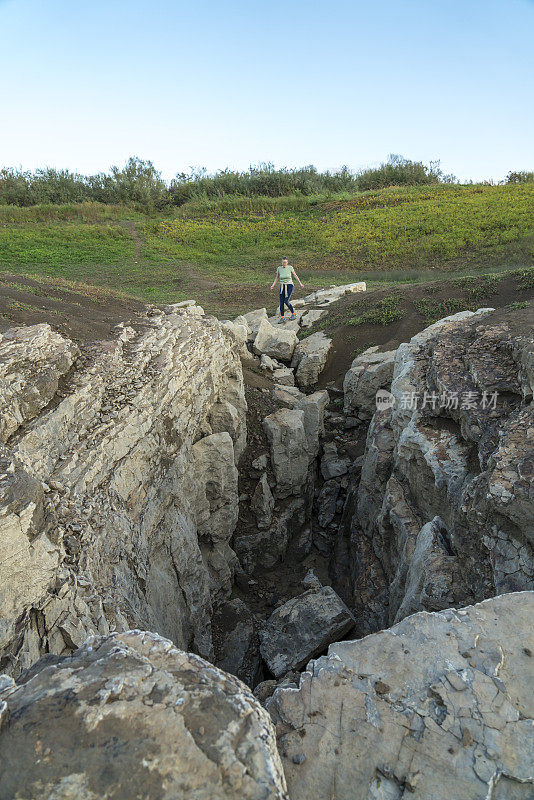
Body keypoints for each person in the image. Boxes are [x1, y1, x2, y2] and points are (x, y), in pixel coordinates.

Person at [270, 257, 304, 323]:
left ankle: (294, 314)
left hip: (289, 286)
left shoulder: (290, 267)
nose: (284, 263)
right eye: (283, 262)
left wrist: (300, 283)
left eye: (285, 262)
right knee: (281, 302)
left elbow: (295, 275)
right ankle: (282, 317)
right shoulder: (279, 268)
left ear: (287, 262)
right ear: (281, 262)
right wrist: (273, 285)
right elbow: (277, 278)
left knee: (286, 301)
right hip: (282, 286)